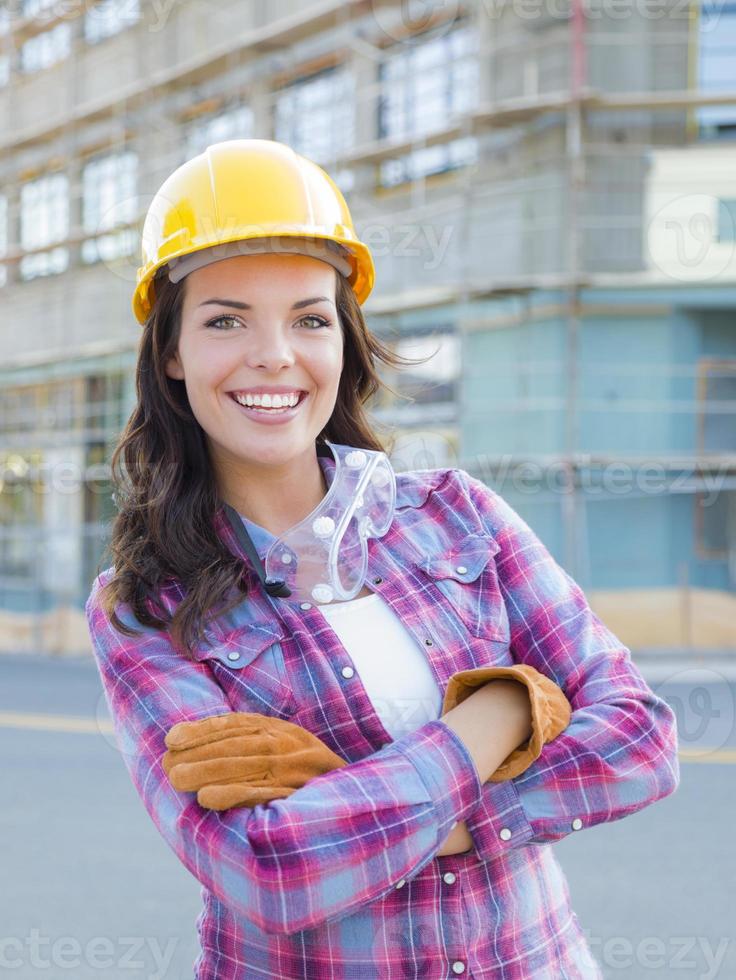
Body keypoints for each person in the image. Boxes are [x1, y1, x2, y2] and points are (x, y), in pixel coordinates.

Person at [85, 139, 680, 979]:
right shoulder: (143, 606)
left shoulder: (460, 518)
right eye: (226, 319)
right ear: (172, 353)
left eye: (309, 318)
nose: (274, 355)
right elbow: (271, 875)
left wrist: (403, 809)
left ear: (343, 340)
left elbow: (640, 740)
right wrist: (499, 715)